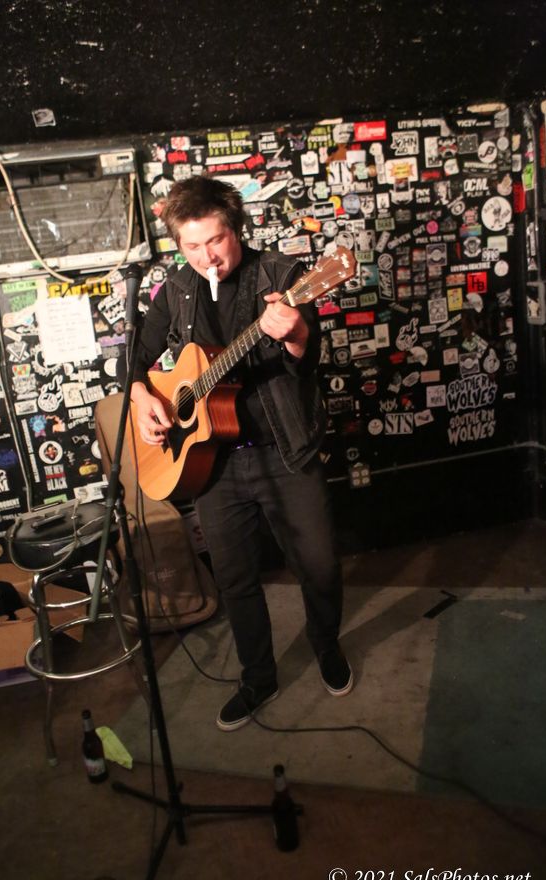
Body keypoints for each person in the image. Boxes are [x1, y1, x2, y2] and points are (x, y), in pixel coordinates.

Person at [129, 175, 352, 731]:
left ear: (237, 229)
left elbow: (307, 360)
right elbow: (133, 354)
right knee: (234, 579)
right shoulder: (176, 289)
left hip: (284, 451)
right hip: (212, 464)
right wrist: (140, 396)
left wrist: (295, 332)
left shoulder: (281, 275)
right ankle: (259, 677)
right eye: (192, 245)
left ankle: (326, 645)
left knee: (319, 565)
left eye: (216, 240)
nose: (207, 256)